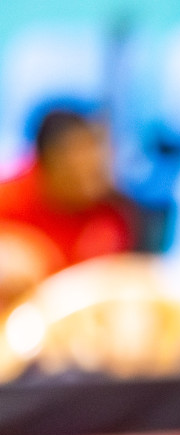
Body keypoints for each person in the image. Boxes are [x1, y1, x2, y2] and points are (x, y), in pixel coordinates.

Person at [0, 108, 138, 307]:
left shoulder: (112, 210)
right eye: (75, 152)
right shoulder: (11, 198)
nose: (89, 162)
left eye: (93, 148)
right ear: (45, 162)